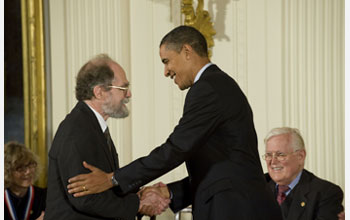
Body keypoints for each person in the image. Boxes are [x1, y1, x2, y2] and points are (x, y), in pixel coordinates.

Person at [67, 26, 283, 220]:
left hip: (236, 209)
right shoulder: (217, 85)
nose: (166, 72)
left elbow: (177, 148)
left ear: (187, 51)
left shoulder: (208, 88)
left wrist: (114, 179)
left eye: (166, 61)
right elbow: (218, 165)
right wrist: (169, 193)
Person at [44, 54, 169, 220]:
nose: (129, 94)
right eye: (123, 88)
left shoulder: (90, 126)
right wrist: (138, 204)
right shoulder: (78, 130)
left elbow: (101, 186)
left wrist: (138, 194)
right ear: (99, 92)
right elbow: (84, 197)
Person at [263, 127, 344, 220]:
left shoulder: (326, 193)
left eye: (280, 154)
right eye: (268, 155)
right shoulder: (257, 187)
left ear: (300, 156)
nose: (273, 162)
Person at [4, 141, 46, 220]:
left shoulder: (44, 196)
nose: (28, 171)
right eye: (20, 168)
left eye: (30, 165)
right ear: (7, 171)